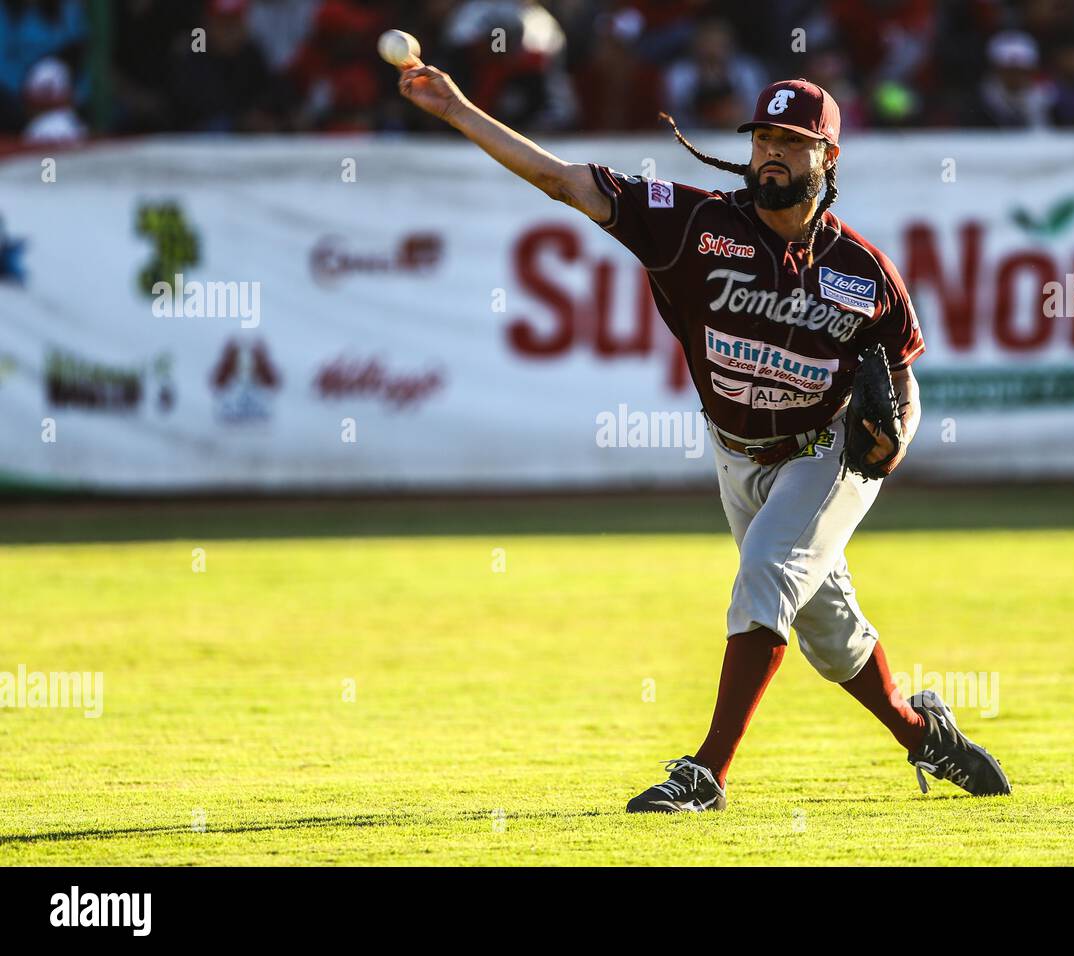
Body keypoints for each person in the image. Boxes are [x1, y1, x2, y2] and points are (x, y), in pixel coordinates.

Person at [397, 63, 1011, 812]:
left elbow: (903, 376)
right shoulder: (695, 224)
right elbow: (564, 181)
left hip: (828, 454)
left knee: (764, 577)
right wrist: (459, 110)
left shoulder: (864, 272)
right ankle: (925, 735)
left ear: (829, 158)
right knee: (829, 633)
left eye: (792, 140)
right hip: (736, 455)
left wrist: (901, 435)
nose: (771, 153)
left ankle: (707, 774)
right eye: (762, 138)